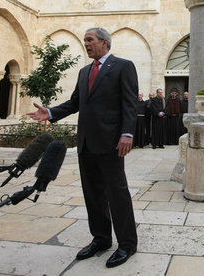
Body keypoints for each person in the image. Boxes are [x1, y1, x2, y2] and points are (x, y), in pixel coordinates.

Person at [27, 27, 137, 267]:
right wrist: (51, 112)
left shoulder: (123, 66)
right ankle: (101, 238)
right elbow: (75, 103)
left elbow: (130, 103)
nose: (85, 43)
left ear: (104, 42)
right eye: (85, 40)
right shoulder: (84, 71)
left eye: (90, 40)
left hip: (111, 143)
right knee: (93, 194)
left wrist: (127, 134)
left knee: (116, 193)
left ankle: (127, 244)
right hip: (86, 142)